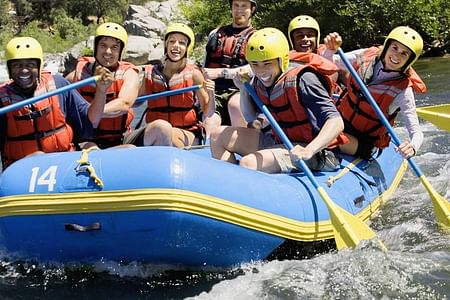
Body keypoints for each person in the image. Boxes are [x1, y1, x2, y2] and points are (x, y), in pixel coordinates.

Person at [210, 28, 347, 174]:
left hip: (317, 151)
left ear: (282, 60)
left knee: (249, 163)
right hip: (279, 140)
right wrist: (243, 89)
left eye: (267, 64)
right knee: (217, 136)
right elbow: (250, 118)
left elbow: (336, 121)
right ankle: (229, 187)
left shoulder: (304, 80)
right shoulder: (259, 80)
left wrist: (309, 150)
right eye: (255, 64)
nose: (261, 71)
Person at [0, 37, 111, 169]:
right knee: (38, 156)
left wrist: (101, 91)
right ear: (9, 69)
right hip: (22, 170)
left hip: (64, 161)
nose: (24, 70)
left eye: (30, 65)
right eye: (17, 65)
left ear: (39, 66)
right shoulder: (2, 99)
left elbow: (92, 120)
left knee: (92, 147)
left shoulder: (58, 85)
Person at [323, 26, 427, 159]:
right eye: (394, 48)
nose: (396, 55)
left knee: (325, 136)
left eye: (404, 53)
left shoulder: (403, 90)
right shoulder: (367, 55)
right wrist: (330, 50)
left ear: (409, 60)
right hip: (340, 122)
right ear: (387, 46)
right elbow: (329, 62)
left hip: (365, 142)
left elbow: (416, 132)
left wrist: (412, 147)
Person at [124, 23, 215, 148]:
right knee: (161, 129)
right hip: (158, 128)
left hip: (188, 132)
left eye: (182, 43)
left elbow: (208, 112)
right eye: (172, 41)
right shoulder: (151, 75)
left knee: (166, 132)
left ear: (187, 48)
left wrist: (211, 94)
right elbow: (133, 102)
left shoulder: (194, 74)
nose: (176, 46)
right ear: (166, 45)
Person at [66, 22, 140, 149]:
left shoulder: (128, 74)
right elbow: (60, 101)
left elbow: (124, 104)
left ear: (120, 51)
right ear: (96, 47)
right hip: (86, 139)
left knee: (160, 128)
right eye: (103, 45)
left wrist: (90, 113)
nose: (108, 51)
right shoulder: (77, 75)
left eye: (114, 47)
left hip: (120, 137)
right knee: (92, 147)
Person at [202, 0, 257, 127]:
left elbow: (255, 68)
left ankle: (241, 144)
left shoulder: (255, 37)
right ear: (231, 8)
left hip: (241, 90)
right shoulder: (215, 33)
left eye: (244, 6)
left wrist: (222, 73)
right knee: (210, 121)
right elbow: (206, 64)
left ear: (252, 10)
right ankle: (208, 144)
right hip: (214, 91)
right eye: (236, 6)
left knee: (235, 106)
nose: (239, 10)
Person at [287, 15, 341, 95]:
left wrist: (330, 51)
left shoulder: (325, 51)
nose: (305, 39)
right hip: (305, 98)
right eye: (300, 36)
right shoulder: (288, 60)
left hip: (334, 98)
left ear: (316, 38)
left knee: (342, 70)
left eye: (310, 35)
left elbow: (330, 59)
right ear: (293, 40)